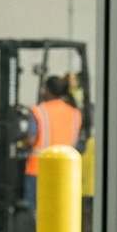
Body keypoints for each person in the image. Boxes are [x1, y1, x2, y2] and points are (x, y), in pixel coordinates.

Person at [24, 75, 82, 213]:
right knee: (60, 211)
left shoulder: (38, 111)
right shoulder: (75, 113)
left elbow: (31, 139)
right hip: (66, 170)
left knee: (36, 212)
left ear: (48, 90)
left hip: (39, 169)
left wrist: (22, 143)